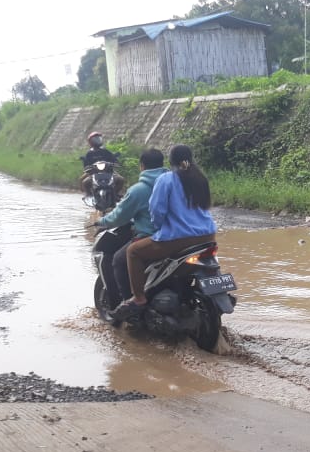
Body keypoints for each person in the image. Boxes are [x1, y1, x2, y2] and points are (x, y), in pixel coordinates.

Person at [109, 144, 216, 323]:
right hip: (207, 237)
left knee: (133, 251)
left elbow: (156, 211)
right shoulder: (200, 179)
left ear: (170, 161)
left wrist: (159, 228)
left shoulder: (166, 179)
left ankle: (139, 298)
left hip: (179, 239)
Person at [93, 148, 168, 307]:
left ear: (142, 166)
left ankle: (131, 305)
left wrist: (101, 221)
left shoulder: (138, 190)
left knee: (119, 259)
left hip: (154, 237)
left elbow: (119, 215)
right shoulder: (174, 184)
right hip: (182, 236)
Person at [80, 131, 125, 197]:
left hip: (108, 171)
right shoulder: (89, 153)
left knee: (121, 179)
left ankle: (115, 193)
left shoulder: (105, 151)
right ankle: (88, 195)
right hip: (93, 172)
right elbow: (86, 164)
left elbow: (113, 159)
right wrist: (87, 165)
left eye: (98, 138)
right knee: (84, 181)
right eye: (95, 139)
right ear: (90, 142)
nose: (97, 140)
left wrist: (115, 162)